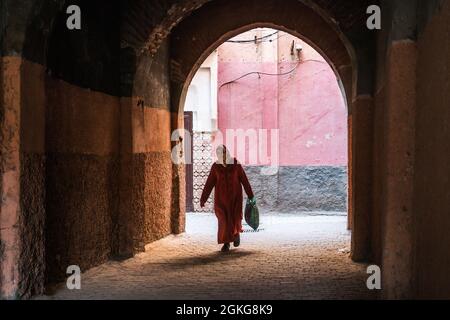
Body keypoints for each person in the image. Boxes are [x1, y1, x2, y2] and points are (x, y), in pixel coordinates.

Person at [200, 145, 255, 252]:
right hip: (221, 200)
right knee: (223, 221)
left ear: (227, 153)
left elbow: (244, 180)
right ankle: (226, 243)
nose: (221, 156)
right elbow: (209, 184)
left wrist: (251, 196)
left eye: (223, 153)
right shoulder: (215, 167)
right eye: (219, 154)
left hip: (235, 199)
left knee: (235, 218)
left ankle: (236, 233)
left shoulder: (235, 164)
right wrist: (203, 199)